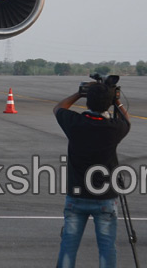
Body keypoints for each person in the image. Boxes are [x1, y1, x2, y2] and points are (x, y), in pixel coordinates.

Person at [53, 83, 130, 268]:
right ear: (108, 103)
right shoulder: (114, 128)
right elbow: (127, 121)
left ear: (88, 101)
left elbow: (58, 108)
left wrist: (78, 94)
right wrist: (117, 101)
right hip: (105, 197)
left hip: (76, 195)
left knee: (68, 246)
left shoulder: (76, 123)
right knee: (107, 247)